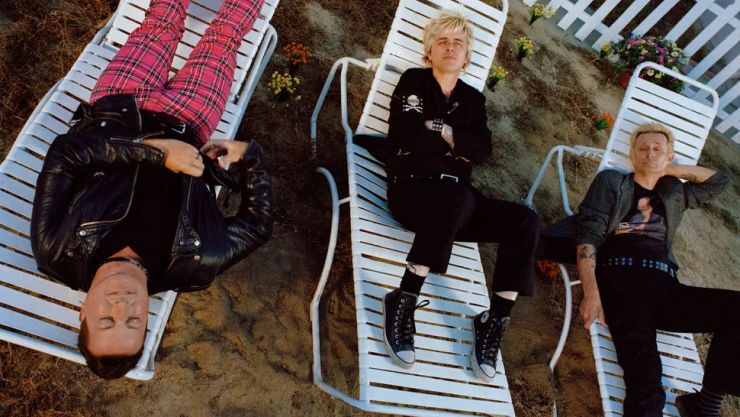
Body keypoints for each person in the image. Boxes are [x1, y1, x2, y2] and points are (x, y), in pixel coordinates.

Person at [31, 0, 272, 380]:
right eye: (134, 321)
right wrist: (250, 158)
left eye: (107, 319)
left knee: (163, 18)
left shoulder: (54, 248)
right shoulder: (196, 265)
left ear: (84, 312)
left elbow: (67, 154)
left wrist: (156, 155)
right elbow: (258, 226)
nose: (122, 307)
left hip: (119, 105)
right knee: (225, 36)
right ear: (147, 319)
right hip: (190, 120)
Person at [381, 9, 540, 382]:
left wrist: (441, 131)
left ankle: (494, 320)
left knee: (525, 220)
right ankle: (403, 297)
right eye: (442, 41)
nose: (450, 48)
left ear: (467, 55)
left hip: (458, 202)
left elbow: (482, 151)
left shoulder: (473, 100)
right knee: (458, 197)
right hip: (412, 192)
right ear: (429, 51)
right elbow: (406, 135)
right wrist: (457, 144)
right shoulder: (414, 81)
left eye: (458, 43)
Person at [570, 122, 738, 416]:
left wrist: (669, 170)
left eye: (657, 149)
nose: (649, 154)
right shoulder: (611, 182)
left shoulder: (674, 192)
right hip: (622, 285)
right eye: (643, 148)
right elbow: (589, 237)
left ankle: (704, 404)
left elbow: (720, 182)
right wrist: (592, 293)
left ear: (669, 156)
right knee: (646, 377)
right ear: (632, 155)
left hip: (666, 288)